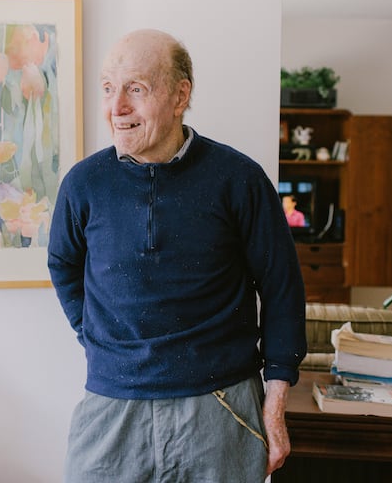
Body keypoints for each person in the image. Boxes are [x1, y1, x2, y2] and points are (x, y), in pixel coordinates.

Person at [48, 29, 306, 482]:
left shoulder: (239, 179)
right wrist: (92, 334)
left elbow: (283, 289)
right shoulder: (83, 184)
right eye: (109, 88)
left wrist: (276, 403)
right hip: (112, 406)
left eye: (137, 88)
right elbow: (63, 264)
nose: (117, 108)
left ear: (180, 94)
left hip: (220, 408)